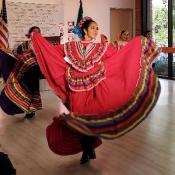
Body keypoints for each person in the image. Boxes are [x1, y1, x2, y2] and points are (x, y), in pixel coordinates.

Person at [31, 17, 161, 164]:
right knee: (80, 118)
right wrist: (37, 39)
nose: (96, 30)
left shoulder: (101, 47)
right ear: (84, 30)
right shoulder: (70, 46)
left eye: (97, 28)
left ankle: (88, 149)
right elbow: (52, 51)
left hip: (95, 88)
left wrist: (137, 44)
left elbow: (119, 54)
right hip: (77, 89)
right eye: (93, 27)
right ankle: (88, 148)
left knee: (91, 117)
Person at [0, 26, 42, 119]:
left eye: (38, 33)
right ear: (30, 34)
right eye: (34, 33)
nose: (36, 34)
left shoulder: (43, 45)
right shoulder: (24, 45)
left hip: (34, 71)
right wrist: (8, 51)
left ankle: (31, 111)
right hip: (24, 71)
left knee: (32, 91)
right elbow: (18, 56)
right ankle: (20, 108)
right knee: (24, 90)